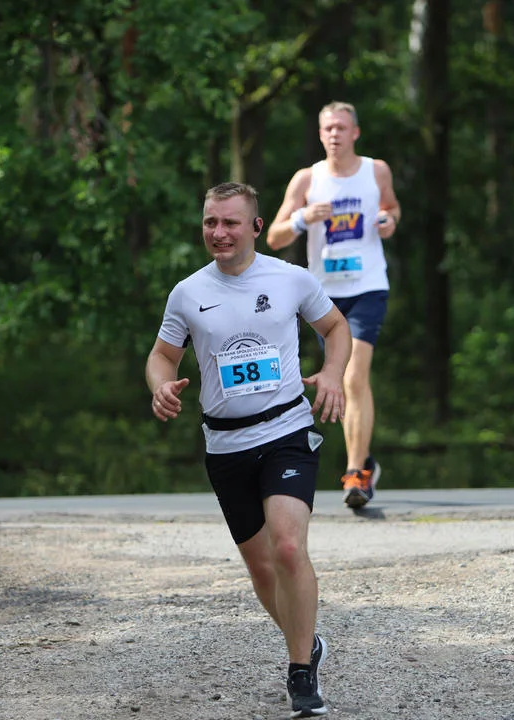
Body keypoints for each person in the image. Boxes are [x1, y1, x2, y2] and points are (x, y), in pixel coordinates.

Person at [145, 182, 351, 718]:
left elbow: (335, 326)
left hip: (286, 431)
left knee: (287, 548)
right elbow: (162, 357)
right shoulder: (187, 293)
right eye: (211, 222)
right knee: (262, 570)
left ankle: (301, 673)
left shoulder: (290, 280)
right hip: (226, 445)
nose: (219, 232)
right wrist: (160, 385)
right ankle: (307, 641)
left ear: (256, 227)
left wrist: (333, 373)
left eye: (231, 223)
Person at [267, 101, 401, 510]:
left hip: (367, 286)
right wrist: (303, 218)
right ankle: (363, 463)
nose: (334, 135)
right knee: (342, 378)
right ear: (321, 133)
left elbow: (391, 209)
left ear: (355, 132)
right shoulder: (308, 179)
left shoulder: (375, 171)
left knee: (354, 376)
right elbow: (273, 237)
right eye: (328, 128)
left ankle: (356, 472)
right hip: (323, 297)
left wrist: (388, 221)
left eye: (342, 128)